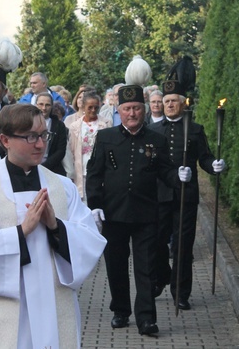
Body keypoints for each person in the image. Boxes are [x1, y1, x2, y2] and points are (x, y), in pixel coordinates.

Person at [0, 103, 106, 348]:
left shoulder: (62, 186)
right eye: (31, 137)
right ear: (5, 139)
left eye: (43, 135)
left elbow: (90, 239)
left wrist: (55, 226)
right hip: (4, 302)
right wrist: (21, 232)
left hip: (51, 299)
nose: (40, 144)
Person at [86, 84, 192, 336]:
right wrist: (95, 205)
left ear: (143, 110)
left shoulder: (157, 139)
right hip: (114, 213)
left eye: (136, 108)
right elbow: (94, 174)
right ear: (119, 111)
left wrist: (178, 175)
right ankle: (120, 310)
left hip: (146, 213)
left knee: (146, 267)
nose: (132, 113)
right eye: (126, 109)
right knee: (116, 264)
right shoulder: (106, 137)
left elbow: (165, 170)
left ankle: (146, 318)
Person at [150, 80, 225, 310]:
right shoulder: (152, 130)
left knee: (183, 246)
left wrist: (215, 165)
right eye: (167, 101)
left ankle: (180, 292)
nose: (170, 105)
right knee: (157, 242)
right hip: (160, 195)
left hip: (186, 195)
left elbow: (204, 157)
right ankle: (162, 276)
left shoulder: (195, 129)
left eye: (174, 101)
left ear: (183, 104)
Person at [63, 91, 111, 200]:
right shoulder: (75, 126)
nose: (93, 110)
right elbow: (71, 150)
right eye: (90, 107)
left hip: (100, 169)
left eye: (96, 107)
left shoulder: (106, 123)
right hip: (82, 169)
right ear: (83, 107)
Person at [35, 92, 67, 175]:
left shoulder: (58, 125)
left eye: (47, 105)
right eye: (41, 104)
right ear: (36, 105)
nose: (44, 108)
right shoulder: (28, 123)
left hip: (52, 168)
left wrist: (45, 166)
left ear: (52, 106)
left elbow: (61, 150)